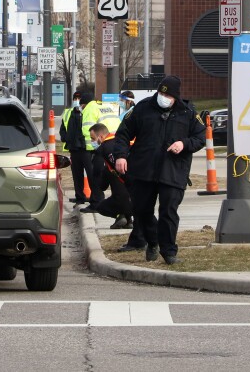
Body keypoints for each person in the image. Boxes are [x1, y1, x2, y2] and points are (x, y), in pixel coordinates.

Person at [113, 75, 205, 265]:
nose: (164, 98)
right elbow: (123, 133)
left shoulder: (187, 112)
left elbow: (200, 137)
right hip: (144, 169)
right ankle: (152, 241)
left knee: (168, 211)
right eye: (161, 93)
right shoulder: (142, 108)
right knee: (142, 210)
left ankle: (169, 251)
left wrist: (184, 144)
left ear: (175, 97)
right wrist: (121, 155)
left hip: (173, 171)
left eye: (168, 95)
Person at [88, 123, 134, 229]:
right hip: (138, 180)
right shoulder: (121, 139)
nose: (92, 142)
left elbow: (98, 170)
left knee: (100, 207)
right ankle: (127, 219)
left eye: (93, 138)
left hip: (126, 184)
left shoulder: (104, 148)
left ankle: (121, 215)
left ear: (101, 137)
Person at [59, 91, 88, 205]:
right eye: (75, 98)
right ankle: (79, 197)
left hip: (86, 148)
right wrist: (67, 138)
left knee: (91, 174)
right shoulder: (67, 112)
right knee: (76, 175)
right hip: (73, 149)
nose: (77, 101)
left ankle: (94, 198)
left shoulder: (87, 112)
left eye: (79, 99)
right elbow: (62, 129)